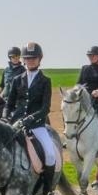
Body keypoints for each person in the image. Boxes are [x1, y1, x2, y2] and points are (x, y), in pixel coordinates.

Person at [6, 42, 57, 176]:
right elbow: (9, 104)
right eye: (28, 58)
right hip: (16, 124)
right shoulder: (17, 80)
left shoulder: (46, 81)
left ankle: (48, 192)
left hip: (37, 125)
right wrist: (5, 116)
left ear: (39, 59)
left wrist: (30, 118)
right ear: (23, 60)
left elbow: (45, 108)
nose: (30, 61)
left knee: (51, 155)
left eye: (33, 58)